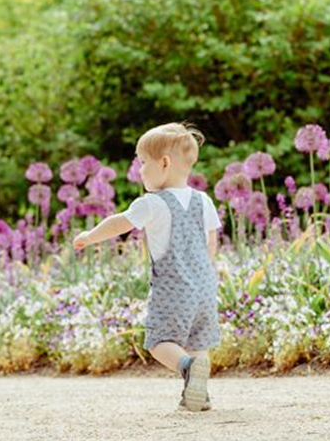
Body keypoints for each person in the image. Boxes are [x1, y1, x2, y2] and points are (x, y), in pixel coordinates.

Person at [73, 122, 222, 412]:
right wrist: (204, 273)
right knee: (197, 341)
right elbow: (211, 242)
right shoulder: (204, 200)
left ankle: (188, 368)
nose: (139, 170)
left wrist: (90, 237)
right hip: (205, 287)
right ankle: (198, 391)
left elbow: (119, 222)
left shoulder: (152, 203)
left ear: (163, 163)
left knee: (158, 341)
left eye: (143, 163)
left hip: (173, 288)